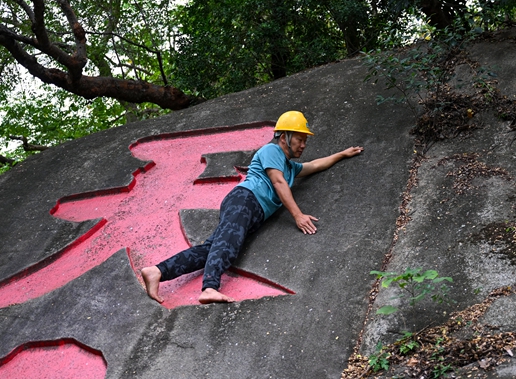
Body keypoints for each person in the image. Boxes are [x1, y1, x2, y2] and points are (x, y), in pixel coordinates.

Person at [141, 111, 364, 304]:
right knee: (229, 244)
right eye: (299, 139)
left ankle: (158, 271)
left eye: (306, 140)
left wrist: (342, 154)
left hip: (252, 209)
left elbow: (314, 165)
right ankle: (210, 287)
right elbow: (277, 182)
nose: (304, 145)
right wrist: (297, 215)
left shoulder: (290, 166)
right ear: (284, 137)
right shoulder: (271, 151)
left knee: (211, 248)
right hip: (245, 199)